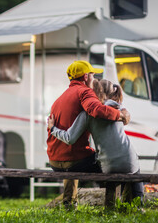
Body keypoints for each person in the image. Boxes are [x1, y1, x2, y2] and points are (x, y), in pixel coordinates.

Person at [46, 60, 130, 209]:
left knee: (76, 157)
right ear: (85, 77)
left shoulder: (60, 98)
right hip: (72, 161)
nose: (94, 79)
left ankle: (69, 204)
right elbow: (97, 110)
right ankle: (114, 206)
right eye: (92, 75)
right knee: (111, 165)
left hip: (54, 161)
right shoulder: (84, 91)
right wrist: (120, 115)